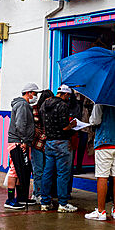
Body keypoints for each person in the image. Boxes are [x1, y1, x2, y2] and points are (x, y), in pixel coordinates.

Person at [84, 103, 115, 221]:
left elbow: (95, 120)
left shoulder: (101, 100)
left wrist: (90, 119)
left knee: (102, 176)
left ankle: (101, 211)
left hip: (104, 143)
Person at [38, 85, 78, 213]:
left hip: (49, 142)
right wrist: (73, 124)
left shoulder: (44, 104)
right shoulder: (63, 106)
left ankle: (44, 202)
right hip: (62, 143)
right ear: (65, 94)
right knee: (62, 174)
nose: (68, 98)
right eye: (68, 96)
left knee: (47, 173)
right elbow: (65, 127)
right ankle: (63, 203)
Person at [6, 82, 40, 209]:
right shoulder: (22, 105)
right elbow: (20, 124)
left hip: (20, 141)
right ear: (29, 93)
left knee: (21, 170)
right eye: (35, 93)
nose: (35, 96)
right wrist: (24, 141)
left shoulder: (24, 105)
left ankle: (20, 197)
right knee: (14, 170)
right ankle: (10, 199)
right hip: (18, 142)